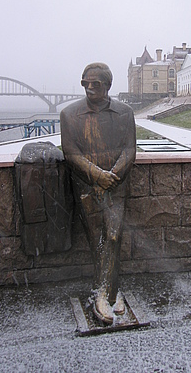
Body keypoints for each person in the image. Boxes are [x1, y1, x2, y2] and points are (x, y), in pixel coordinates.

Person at [60, 63, 136, 324]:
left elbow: (129, 149)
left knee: (114, 236)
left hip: (116, 185)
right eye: (85, 83)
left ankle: (111, 292)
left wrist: (112, 175)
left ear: (108, 86)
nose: (90, 88)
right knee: (97, 239)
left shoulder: (125, 113)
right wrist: (97, 175)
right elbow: (70, 153)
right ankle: (102, 293)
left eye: (96, 84)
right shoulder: (69, 115)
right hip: (87, 186)